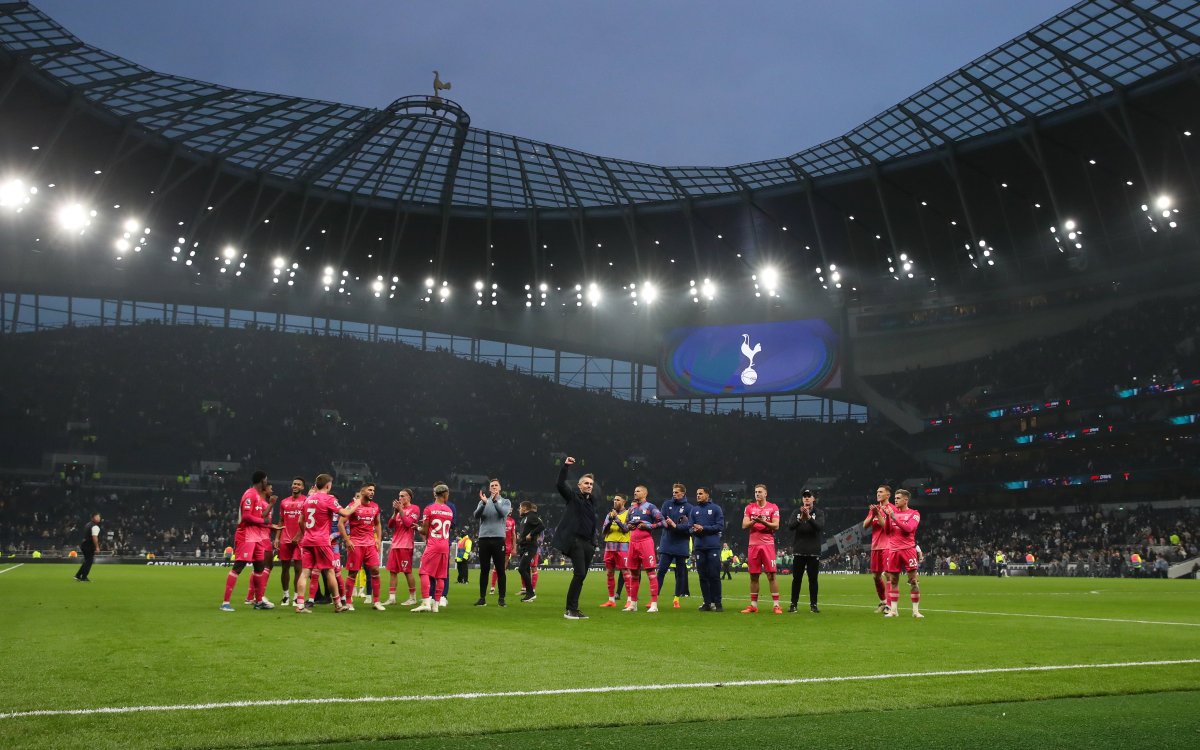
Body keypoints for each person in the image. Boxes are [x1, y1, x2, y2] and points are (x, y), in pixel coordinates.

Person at [292, 474, 361, 613]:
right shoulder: (329, 499)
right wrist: (357, 503)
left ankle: (299, 605)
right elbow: (345, 512)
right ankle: (337, 604)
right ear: (328, 485)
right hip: (322, 540)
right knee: (330, 571)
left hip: (307, 540)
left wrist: (307, 533)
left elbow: (300, 521)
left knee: (305, 572)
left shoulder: (308, 499)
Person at [220, 471, 276, 612]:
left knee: (259, 568)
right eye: (266, 480)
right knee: (238, 566)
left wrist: (268, 513)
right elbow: (246, 517)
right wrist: (263, 521)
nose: (267, 483)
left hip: (256, 536)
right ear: (262, 481)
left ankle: (258, 601)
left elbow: (260, 516)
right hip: (246, 535)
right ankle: (225, 603)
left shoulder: (257, 496)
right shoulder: (249, 494)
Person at [552, 456, 601, 620]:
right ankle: (569, 610)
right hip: (575, 541)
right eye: (586, 483)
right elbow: (560, 484)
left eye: (591, 484)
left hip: (588, 544)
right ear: (579, 486)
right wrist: (565, 467)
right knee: (579, 574)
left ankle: (574, 608)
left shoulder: (591, 502)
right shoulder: (573, 498)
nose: (589, 486)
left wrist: (594, 543)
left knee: (582, 576)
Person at [340, 483, 385, 611]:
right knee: (353, 573)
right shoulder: (353, 505)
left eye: (373, 490)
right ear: (362, 491)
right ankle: (348, 602)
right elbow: (341, 523)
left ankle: (376, 601)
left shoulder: (375, 506)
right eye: (369, 490)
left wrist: (379, 540)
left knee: (375, 570)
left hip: (370, 544)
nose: (372, 492)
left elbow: (377, 524)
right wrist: (347, 540)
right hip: (356, 544)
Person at [412, 483, 455, 612]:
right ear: (445, 494)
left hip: (433, 545)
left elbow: (425, 531)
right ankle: (435, 605)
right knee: (441, 576)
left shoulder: (429, 509)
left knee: (423, 572)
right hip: (445, 546)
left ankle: (426, 602)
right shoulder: (449, 510)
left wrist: (418, 528)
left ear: (435, 494)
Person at [741, 484, 782, 614]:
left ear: (765, 494)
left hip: (767, 545)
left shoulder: (773, 507)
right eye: (755, 492)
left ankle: (776, 605)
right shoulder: (749, 507)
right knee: (754, 576)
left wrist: (762, 522)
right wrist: (755, 521)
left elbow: (776, 526)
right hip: (753, 545)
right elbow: (744, 525)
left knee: (771, 575)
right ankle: (753, 605)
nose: (757, 494)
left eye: (760, 492)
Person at [881, 488, 922, 618]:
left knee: (913, 581)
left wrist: (894, 517)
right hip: (893, 551)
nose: (896, 500)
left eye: (898, 498)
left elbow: (909, 529)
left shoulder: (914, 513)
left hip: (908, 550)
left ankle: (915, 611)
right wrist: (888, 517)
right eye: (895, 498)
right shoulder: (893, 514)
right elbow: (887, 531)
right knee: (893, 581)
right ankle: (894, 611)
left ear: (906, 500)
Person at [624, 485, 663, 613]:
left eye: (638, 491)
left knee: (651, 573)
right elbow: (625, 525)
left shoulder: (651, 507)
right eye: (634, 491)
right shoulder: (631, 509)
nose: (635, 492)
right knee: (633, 574)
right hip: (633, 543)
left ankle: (654, 604)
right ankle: (633, 604)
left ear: (645, 494)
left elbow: (662, 522)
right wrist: (629, 526)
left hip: (645, 542)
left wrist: (649, 526)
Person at [473, 478, 512, 607]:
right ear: (489, 489)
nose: (494, 487)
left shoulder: (506, 501)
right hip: (484, 538)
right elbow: (476, 516)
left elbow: (503, 513)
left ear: (500, 488)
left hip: (498, 538)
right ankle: (482, 598)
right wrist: (484, 504)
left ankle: (501, 598)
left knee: (500, 569)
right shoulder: (483, 501)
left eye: (496, 485)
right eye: (492, 486)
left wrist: (494, 501)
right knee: (484, 569)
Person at [656, 483, 693, 609]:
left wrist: (675, 525)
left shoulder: (689, 508)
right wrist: (673, 525)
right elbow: (662, 520)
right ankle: (654, 599)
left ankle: (677, 599)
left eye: (677, 492)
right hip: (667, 542)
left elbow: (689, 526)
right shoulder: (667, 504)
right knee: (661, 570)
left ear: (683, 493)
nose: (674, 494)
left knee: (680, 573)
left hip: (681, 543)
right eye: (673, 492)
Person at [689, 487, 725, 611]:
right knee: (702, 576)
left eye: (700, 493)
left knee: (714, 575)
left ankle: (718, 602)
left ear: (707, 495)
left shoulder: (716, 508)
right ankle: (707, 602)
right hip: (699, 547)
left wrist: (703, 528)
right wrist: (694, 529)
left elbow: (720, 526)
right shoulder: (694, 510)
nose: (698, 495)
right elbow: (689, 527)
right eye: (697, 494)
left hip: (713, 547)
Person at [787, 490, 822, 613]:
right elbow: (790, 527)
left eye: (809, 496)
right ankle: (793, 604)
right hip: (799, 551)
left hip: (813, 551)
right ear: (802, 499)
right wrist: (801, 518)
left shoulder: (819, 513)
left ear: (814, 499)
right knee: (797, 579)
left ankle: (813, 605)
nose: (806, 499)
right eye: (804, 497)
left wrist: (809, 518)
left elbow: (820, 527)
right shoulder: (796, 512)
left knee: (813, 580)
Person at [385, 488, 420, 605]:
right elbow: (390, 525)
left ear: (409, 497)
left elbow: (409, 524)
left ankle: (413, 597)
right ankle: (392, 598)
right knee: (393, 572)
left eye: (403, 496)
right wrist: (395, 512)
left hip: (406, 546)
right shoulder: (399, 510)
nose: (400, 498)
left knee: (407, 571)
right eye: (399, 496)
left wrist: (400, 511)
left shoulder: (414, 508)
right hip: (395, 545)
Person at [275, 477, 307, 606]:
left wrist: (300, 536)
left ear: (302, 487)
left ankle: (295, 596)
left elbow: (305, 521)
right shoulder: (284, 502)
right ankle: (285, 595)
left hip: (300, 539)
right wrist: (277, 537)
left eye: (299, 484)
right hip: (285, 538)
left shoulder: (305, 501)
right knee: (284, 568)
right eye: (294, 484)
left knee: (299, 569)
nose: (295, 486)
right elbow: (281, 521)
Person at [862, 485, 894, 612]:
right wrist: (873, 514)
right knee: (875, 576)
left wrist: (878, 514)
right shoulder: (874, 508)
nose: (878, 494)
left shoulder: (891, 509)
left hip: (888, 545)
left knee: (888, 575)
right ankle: (883, 602)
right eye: (877, 492)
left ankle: (890, 606)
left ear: (888, 495)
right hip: (875, 547)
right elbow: (865, 525)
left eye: (881, 492)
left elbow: (886, 527)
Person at [599, 494, 632, 608]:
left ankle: (629, 600)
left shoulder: (629, 514)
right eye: (614, 500)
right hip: (609, 547)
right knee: (609, 574)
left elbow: (626, 529)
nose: (615, 501)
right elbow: (604, 531)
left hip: (623, 547)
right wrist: (610, 521)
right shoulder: (609, 515)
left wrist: (617, 520)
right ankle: (611, 600)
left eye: (617, 500)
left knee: (626, 574)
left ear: (623, 502)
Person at [516, 500, 545, 602]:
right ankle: (529, 594)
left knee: (521, 569)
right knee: (526, 570)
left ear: (524, 508)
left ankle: (531, 593)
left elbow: (542, 526)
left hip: (530, 547)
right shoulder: (525, 518)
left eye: (520, 507)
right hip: (524, 547)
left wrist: (531, 534)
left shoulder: (531, 515)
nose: (519, 510)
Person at [490, 511, 517, 594]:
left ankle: (499, 587)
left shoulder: (512, 521)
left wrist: (514, 548)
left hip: (508, 546)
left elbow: (513, 535)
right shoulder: (499, 519)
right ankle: (493, 587)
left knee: (503, 568)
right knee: (496, 566)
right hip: (499, 545)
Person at [74, 512, 101, 582]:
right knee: (89, 561)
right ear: (93, 518)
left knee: (87, 561)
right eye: (98, 517)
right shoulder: (95, 526)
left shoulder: (88, 524)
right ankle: (84, 577)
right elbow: (94, 537)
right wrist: (97, 547)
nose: (99, 518)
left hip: (84, 544)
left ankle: (78, 575)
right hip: (89, 545)